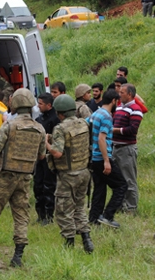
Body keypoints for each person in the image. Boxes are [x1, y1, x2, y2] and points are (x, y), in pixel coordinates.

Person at [0, 88, 46, 267]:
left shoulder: (10, 126)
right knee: (21, 215)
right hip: (25, 177)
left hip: (4, 176)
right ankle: (18, 257)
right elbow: (42, 156)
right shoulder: (39, 129)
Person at [45, 94, 94, 253]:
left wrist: (46, 143)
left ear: (60, 113)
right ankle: (86, 238)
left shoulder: (60, 128)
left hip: (68, 175)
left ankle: (69, 243)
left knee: (64, 209)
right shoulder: (83, 124)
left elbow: (57, 153)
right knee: (79, 207)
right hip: (84, 172)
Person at [87, 89, 127, 228]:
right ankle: (108, 216)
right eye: (118, 102)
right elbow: (101, 139)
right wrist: (106, 160)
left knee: (100, 188)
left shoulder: (95, 113)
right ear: (114, 101)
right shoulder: (107, 116)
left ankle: (94, 218)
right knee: (121, 185)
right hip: (102, 158)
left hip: (93, 158)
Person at [112, 84, 144, 214]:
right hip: (116, 147)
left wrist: (114, 130)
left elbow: (132, 130)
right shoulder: (119, 107)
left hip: (126, 149)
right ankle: (121, 204)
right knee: (119, 179)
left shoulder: (136, 109)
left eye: (122, 92)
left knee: (129, 179)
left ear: (130, 94)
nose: (119, 95)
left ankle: (131, 208)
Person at [34, 93, 60, 225]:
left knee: (49, 186)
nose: (38, 106)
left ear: (49, 105)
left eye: (41, 104)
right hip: (39, 157)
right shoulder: (39, 119)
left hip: (49, 157)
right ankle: (40, 214)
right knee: (37, 185)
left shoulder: (55, 120)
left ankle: (49, 216)